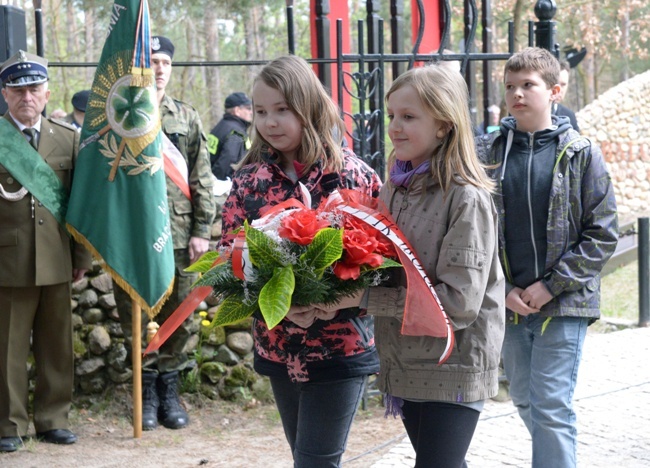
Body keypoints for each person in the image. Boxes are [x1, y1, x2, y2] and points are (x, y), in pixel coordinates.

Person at [313, 63, 506, 467]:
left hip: (452, 363)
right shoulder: (395, 190)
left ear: (444, 125)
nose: (395, 127)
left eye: (409, 116)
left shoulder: (466, 198)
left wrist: (360, 296)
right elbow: (388, 273)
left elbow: (458, 304)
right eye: (392, 116)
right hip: (405, 359)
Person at [219, 54, 382, 467]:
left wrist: (330, 298)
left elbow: (381, 260)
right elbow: (229, 255)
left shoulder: (352, 176)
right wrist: (279, 301)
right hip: (277, 344)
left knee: (315, 462)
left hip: (340, 344)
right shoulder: (248, 180)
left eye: (282, 109)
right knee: (305, 458)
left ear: (308, 107)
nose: (270, 122)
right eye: (260, 111)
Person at [475, 47, 618, 467]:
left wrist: (551, 285)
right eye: (510, 87)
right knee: (523, 398)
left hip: (565, 302)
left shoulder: (581, 153)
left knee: (552, 405)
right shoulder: (488, 153)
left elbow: (602, 233)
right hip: (511, 303)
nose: (517, 94)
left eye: (528, 85)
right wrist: (503, 290)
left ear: (554, 91)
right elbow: (476, 230)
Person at [113, 36, 216, 432]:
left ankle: (169, 390)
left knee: (181, 315)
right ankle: (146, 392)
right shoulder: (119, 117)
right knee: (135, 314)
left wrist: (201, 231)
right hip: (135, 236)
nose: (158, 69)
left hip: (179, 235)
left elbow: (202, 178)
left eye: (164, 63)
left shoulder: (185, 116)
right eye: (151, 61)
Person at [0, 50, 92, 452]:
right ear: (5, 94)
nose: (27, 97)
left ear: (47, 92)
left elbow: (81, 205)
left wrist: (82, 258)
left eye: (34, 89)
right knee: (8, 348)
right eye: (18, 90)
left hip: (56, 256)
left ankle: (53, 419)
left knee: (57, 344)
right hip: (7, 259)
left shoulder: (67, 138)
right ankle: (9, 424)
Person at [208, 91, 252, 180]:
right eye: (248, 108)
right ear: (237, 110)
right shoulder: (236, 132)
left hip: (210, 179)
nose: (251, 112)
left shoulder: (220, 126)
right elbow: (227, 162)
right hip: (225, 187)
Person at [552, 60, 580, 132]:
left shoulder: (569, 116)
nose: (559, 89)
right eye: (556, 83)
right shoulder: (532, 113)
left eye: (563, 84)